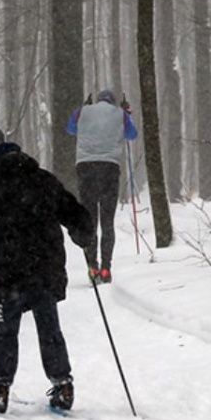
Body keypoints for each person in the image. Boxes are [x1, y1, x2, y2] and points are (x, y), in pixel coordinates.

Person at [0, 142, 94, 414]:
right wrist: (82, 233)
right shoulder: (43, 179)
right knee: (49, 327)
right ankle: (62, 384)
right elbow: (72, 211)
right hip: (44, 266)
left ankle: (0, 390)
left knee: (6, 331)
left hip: (10, 269)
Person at [66, 89, 138, 283]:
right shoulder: (120, 114)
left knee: (90, 220)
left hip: (86, 168)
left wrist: (83, 108)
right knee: (107, 222)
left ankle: (92, 266)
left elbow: (71, 129)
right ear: (113, 102)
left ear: (96, 101)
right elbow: (132, 135)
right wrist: (127, 115)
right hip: (109, 169)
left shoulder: (82, 111)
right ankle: (106, 268)